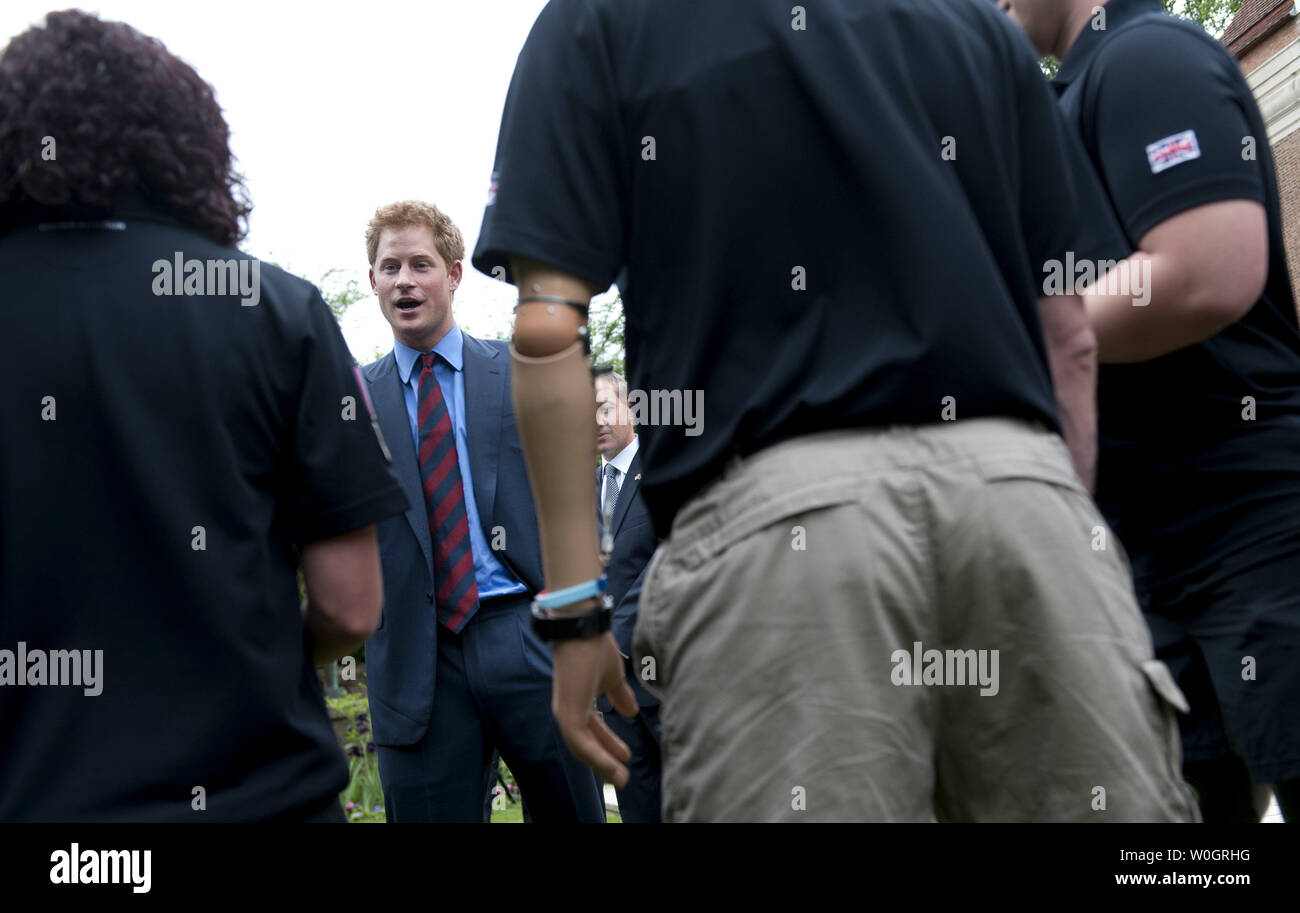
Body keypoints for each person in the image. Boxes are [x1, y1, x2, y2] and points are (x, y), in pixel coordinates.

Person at [472, 0, 1199, 821]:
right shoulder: (972, 23)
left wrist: (574, 610)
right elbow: (1066, 333)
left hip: (774, 539)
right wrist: (1061, 528)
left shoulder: (597, 21)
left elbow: (544, 333)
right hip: (1024, 499)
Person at [0, 11, 408, 821]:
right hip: (257, 801)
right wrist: (236, 661)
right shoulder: (274, 310)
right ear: (180, 140)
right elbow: (350, 604)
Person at [1001, 0, 1300, 823]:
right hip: (1139, 563)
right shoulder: (1060, 104)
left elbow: (1206, 268)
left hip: (1251, 531)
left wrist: (1009, 337)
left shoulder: (1146, 58)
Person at [359, 200, 605, 822]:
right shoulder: (350, 402)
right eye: (391, 268)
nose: (405, 280)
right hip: (419, 658)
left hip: (527, 632)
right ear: (373, 282)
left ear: (454, 274)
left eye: (421, 264)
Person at [593, 368, 662, 822]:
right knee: (638, 810)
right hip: (612, 697)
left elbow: (668, 557)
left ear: (629, 407)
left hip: (668, 677)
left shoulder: (663, 472)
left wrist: (614, 640)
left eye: (602, 407)